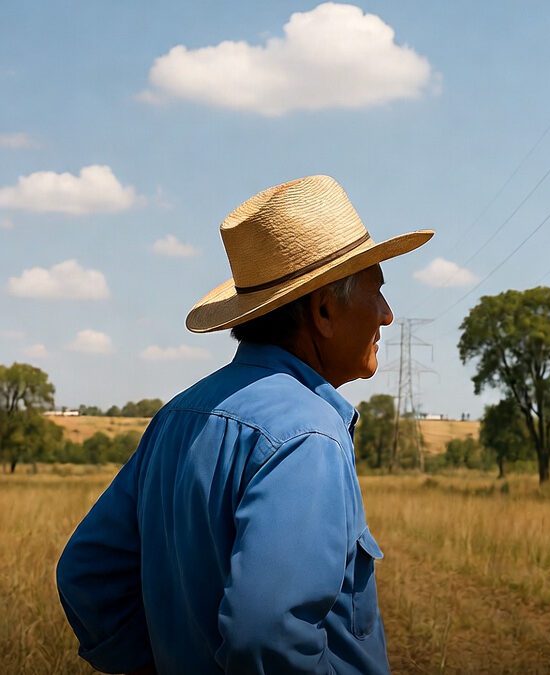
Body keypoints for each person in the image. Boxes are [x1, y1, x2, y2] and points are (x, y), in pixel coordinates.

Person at [56, 175, 433, 674]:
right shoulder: (309, 435)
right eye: (377, 293)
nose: (387, 316)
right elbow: (267, 636)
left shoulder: (177, 415)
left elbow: (87, 575)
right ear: (322, 310)